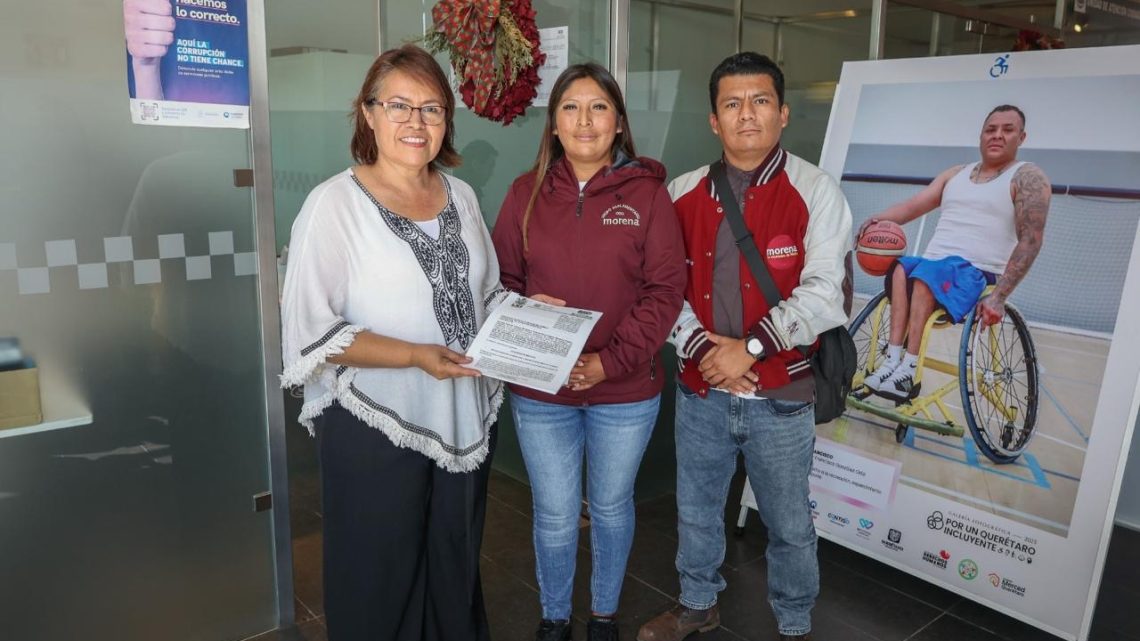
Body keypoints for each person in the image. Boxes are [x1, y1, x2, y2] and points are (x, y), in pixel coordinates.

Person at [280, 44, 505, 641]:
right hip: (373, 423)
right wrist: (413, 355)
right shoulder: (333, 205)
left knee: (452, 562)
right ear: (368, 114)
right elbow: (311, 331)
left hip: (459, 407)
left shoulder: (462, 197)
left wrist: (535, 318)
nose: (416, 122)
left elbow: (486, 293)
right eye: (398, 105)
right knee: (378, 572)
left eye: (431, 109)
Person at [638, 52, 852, 641]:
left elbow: (824, 293)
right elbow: (662, 286)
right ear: (714, 120)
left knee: (787, 521)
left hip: (783, 393)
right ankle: (698, 601)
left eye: (760, 101)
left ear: (782, 113)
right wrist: (710, 352)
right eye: (732, 104)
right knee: (696, 507)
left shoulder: (815, 190)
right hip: (702, 388)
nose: (746, 114)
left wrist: (750, 348)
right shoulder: (681, 192)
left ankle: (793, 620)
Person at [492, 63, 687, 641]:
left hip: (624, 390)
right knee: (554, 513)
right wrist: (528, 308)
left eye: (598, 107)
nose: (585, 119)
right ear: (552, 123)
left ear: (618, 122)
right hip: (540, 389)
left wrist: (608, 361)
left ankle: (603, 615)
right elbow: (500, 283)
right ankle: (554, 616)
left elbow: (664, 291)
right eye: (571, 107)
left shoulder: (648, 194)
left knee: (609, 507)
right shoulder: (524, 193)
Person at [859, 105, 1050, 401]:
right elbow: (913, 206)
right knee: (900, 268)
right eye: (991, 129)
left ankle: (908, 371)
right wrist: (877, 220)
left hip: (976, 273)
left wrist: (999, 296)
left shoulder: (1027, 177)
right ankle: (892, 360)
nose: (997, 135)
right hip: (936, 268)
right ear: (981, 135)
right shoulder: (955, 174)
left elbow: (1031, 241)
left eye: (1007, 130)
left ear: (1021, 137)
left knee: (925, 275)